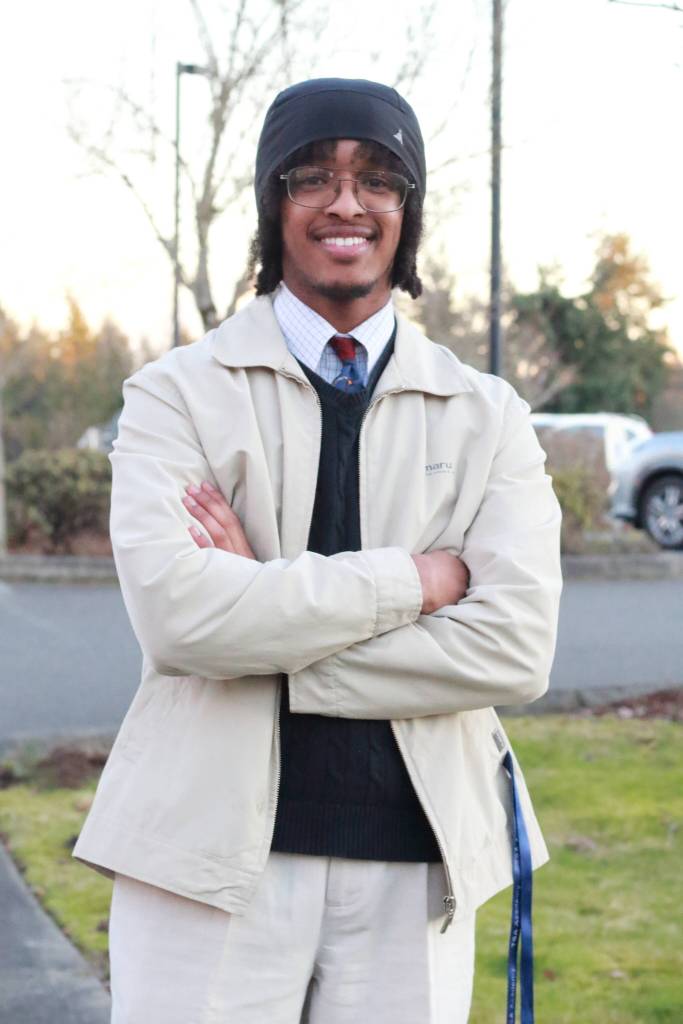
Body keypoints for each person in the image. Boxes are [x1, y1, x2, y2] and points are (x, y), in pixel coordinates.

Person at [73, 78, 563, 1024]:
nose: (347, 202)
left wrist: (261, 612)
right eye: (313, 176)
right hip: (203, 866)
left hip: (413, 870)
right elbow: (180, 618)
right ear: (273, 203)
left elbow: (515, 647)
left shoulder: (488, 414)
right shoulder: (175, 394)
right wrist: (415, 582)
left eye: (378, 178)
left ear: (405, 212)